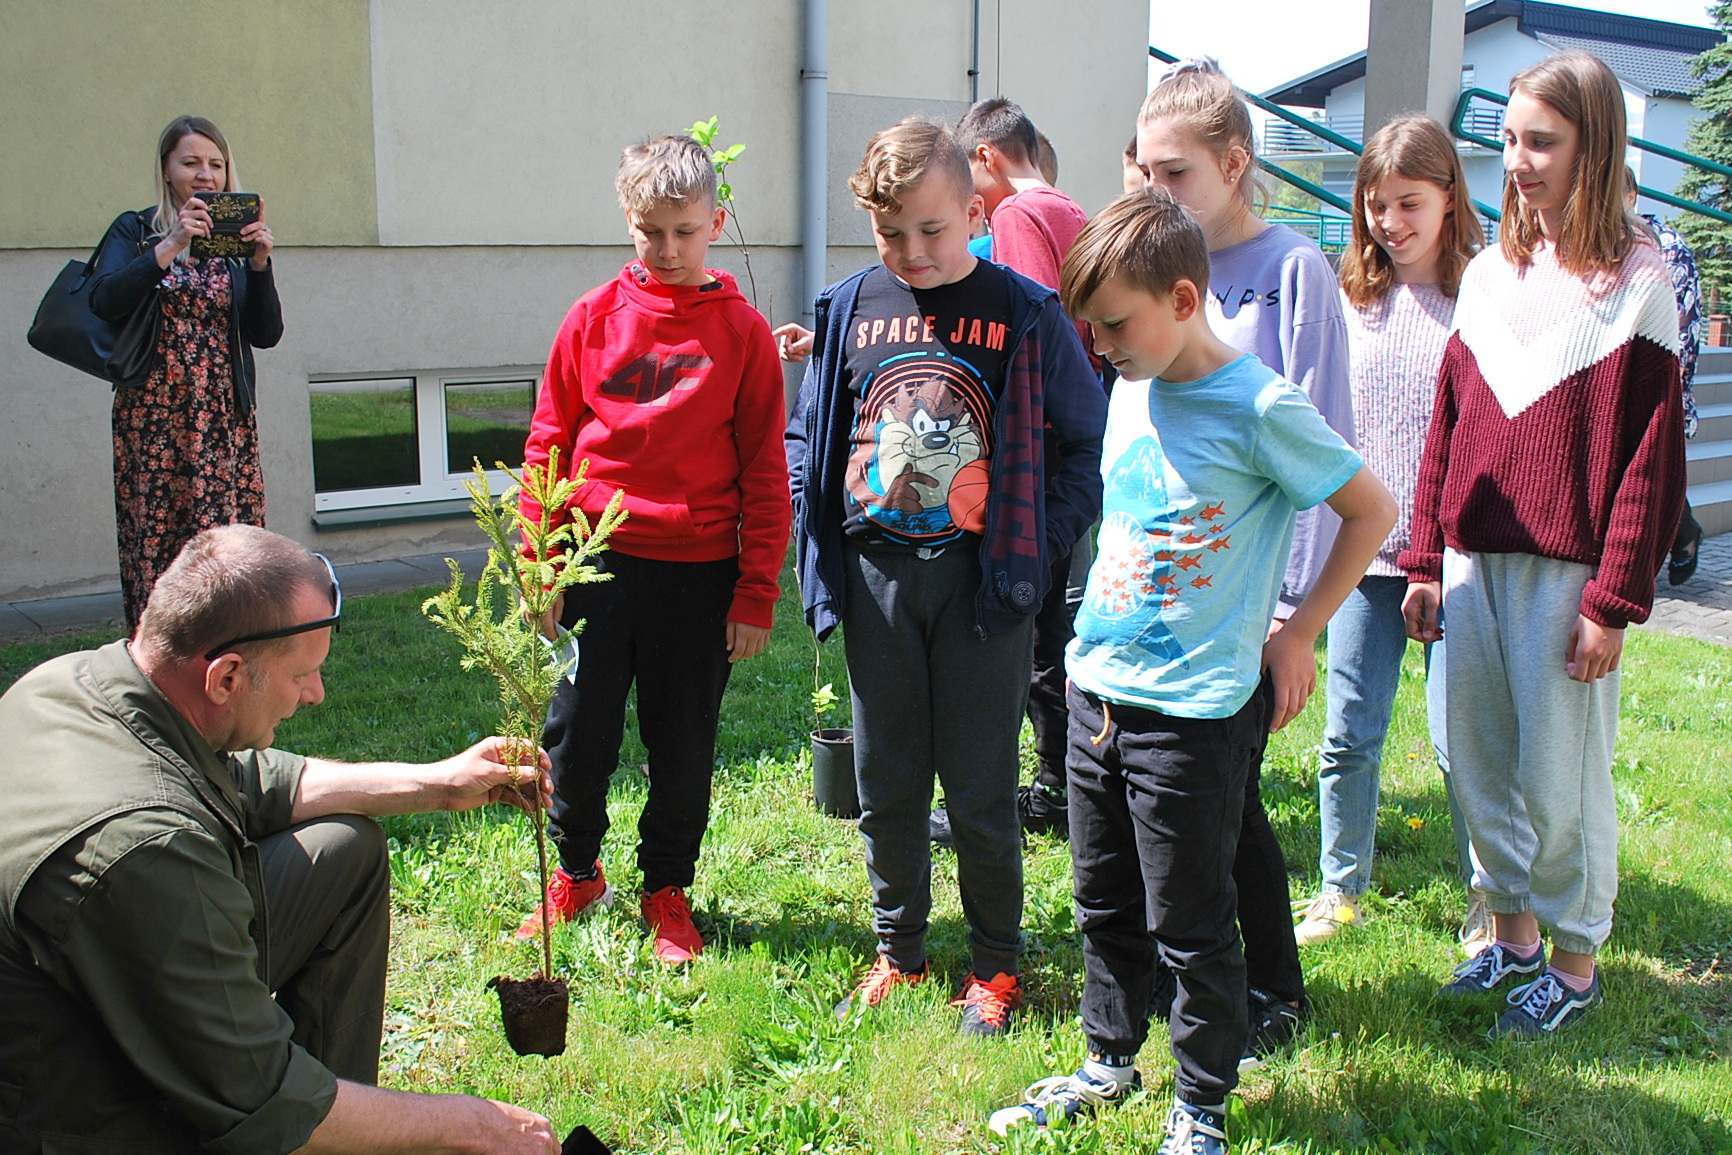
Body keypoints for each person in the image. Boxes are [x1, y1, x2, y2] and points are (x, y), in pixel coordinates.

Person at [989, 187, 1395, 1152]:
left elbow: (1371, 510)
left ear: (1181, 299)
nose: (1104, 348)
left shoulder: (1259, 403)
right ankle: (1108, 1058)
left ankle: (1202, 1101)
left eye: (1116, 325)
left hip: (1194, 718)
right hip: (1099, 698)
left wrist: (1297, 633)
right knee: (1104, 898)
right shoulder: (1134, 385)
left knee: (1192, 920)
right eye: (1092, 331)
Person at [0, 525, 559, 1154]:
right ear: (227, 677)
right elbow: (257, 1093)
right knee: (265, 1103)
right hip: (62, 1098)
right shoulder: (143, 848)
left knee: (342, 853)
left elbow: (248, 781)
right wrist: (476, 1126)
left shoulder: (76, 683)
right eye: (303, 675)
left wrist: (438, 784)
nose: (316, 694)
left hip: (107, 967)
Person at [785, 116, 1105, 1035]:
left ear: (974, 207)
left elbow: (1084, 446)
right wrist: (824, 553)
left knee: (976, 785)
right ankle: (901, 950)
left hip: (985, 589)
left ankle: (996, 968)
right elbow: (812, 435)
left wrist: (1037, 552)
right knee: (886, 782)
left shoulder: (1027, 312)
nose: (914, 252)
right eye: (892, 235)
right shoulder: (847, 306)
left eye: (933, 229)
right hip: (877, 581)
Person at [1402, 52, 1683, 1037]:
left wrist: (1612, 602)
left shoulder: (1640, 286)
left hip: (1569, 576)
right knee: (1471, 761)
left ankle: (1572, 962)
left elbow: (1649, 465)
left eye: (1541, 142)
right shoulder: (1484, 275)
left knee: (1557, 779)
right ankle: (1510, 939)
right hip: (1474, 563)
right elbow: (1447, 428)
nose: (1517, 161)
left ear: (1593, 146)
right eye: (1510, 139)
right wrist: (1426, 558)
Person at [515, 135, 790, 964]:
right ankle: (576, 872)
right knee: (580, 732)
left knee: (683, 744)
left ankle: (667, 888)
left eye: (684, 231)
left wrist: (754, 593)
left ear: (717, 220)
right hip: (595, 568)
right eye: (649, 232)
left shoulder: (741, 335)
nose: (668, 250)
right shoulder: (591, 318)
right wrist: (543, 562)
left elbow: (765, 472)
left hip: (697, 576)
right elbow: (547, 446)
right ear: (627, 221)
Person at [1137, 55, 1355, 1062]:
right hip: (1167, 593)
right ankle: (1198, 969)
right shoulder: (1151, 269)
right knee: (1201, 796)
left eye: (1173, 173)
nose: (1153, 192)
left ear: (1232, 163)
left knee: (1223, 802)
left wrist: (1292, 620)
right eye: (1142, 171)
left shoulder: (1292, 274)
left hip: (1252, 603)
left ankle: (1268, 985)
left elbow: (1324, 454)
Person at [1292, 116, 1482, 946]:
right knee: (1349, 732)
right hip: (1363, 553)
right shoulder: (1350, 296)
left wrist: (1437, 551)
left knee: (1459, 740)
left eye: (1409, 202)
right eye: (1375, 204)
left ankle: (1491, 888)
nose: (1389, 222)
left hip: (1452, 555)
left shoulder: (1482, 293)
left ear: (1449, 198)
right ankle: (1339, 886)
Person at [925, 97, 1096, 844]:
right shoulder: (1072, 207)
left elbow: (1025, 327)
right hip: (1073, 443)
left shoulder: (1020, 218)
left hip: (1036, 450)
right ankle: (1063, 780)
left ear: (987, 160)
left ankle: (1053, 785)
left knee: (1029, 626)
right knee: (1058, 622)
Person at [88, 115, 283, 631]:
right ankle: (162, 650)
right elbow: (104, 300)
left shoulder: (233, 243)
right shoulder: (136, 230)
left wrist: (261, 265)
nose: (205, 175)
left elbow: (266, 334)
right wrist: (170, 243)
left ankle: (232, 641)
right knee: (159, 535)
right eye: (191, 162)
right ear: (167, 168)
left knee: (226, 545)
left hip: (222, 416)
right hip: (154, 416)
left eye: (216, 164)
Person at [1625, 166, 1706, 586]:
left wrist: (1670, 395)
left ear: (1633, 195)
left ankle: (1683, 533)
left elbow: (1685, 329)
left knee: (1654, 477)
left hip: (1659, 386)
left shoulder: (1667, 250)